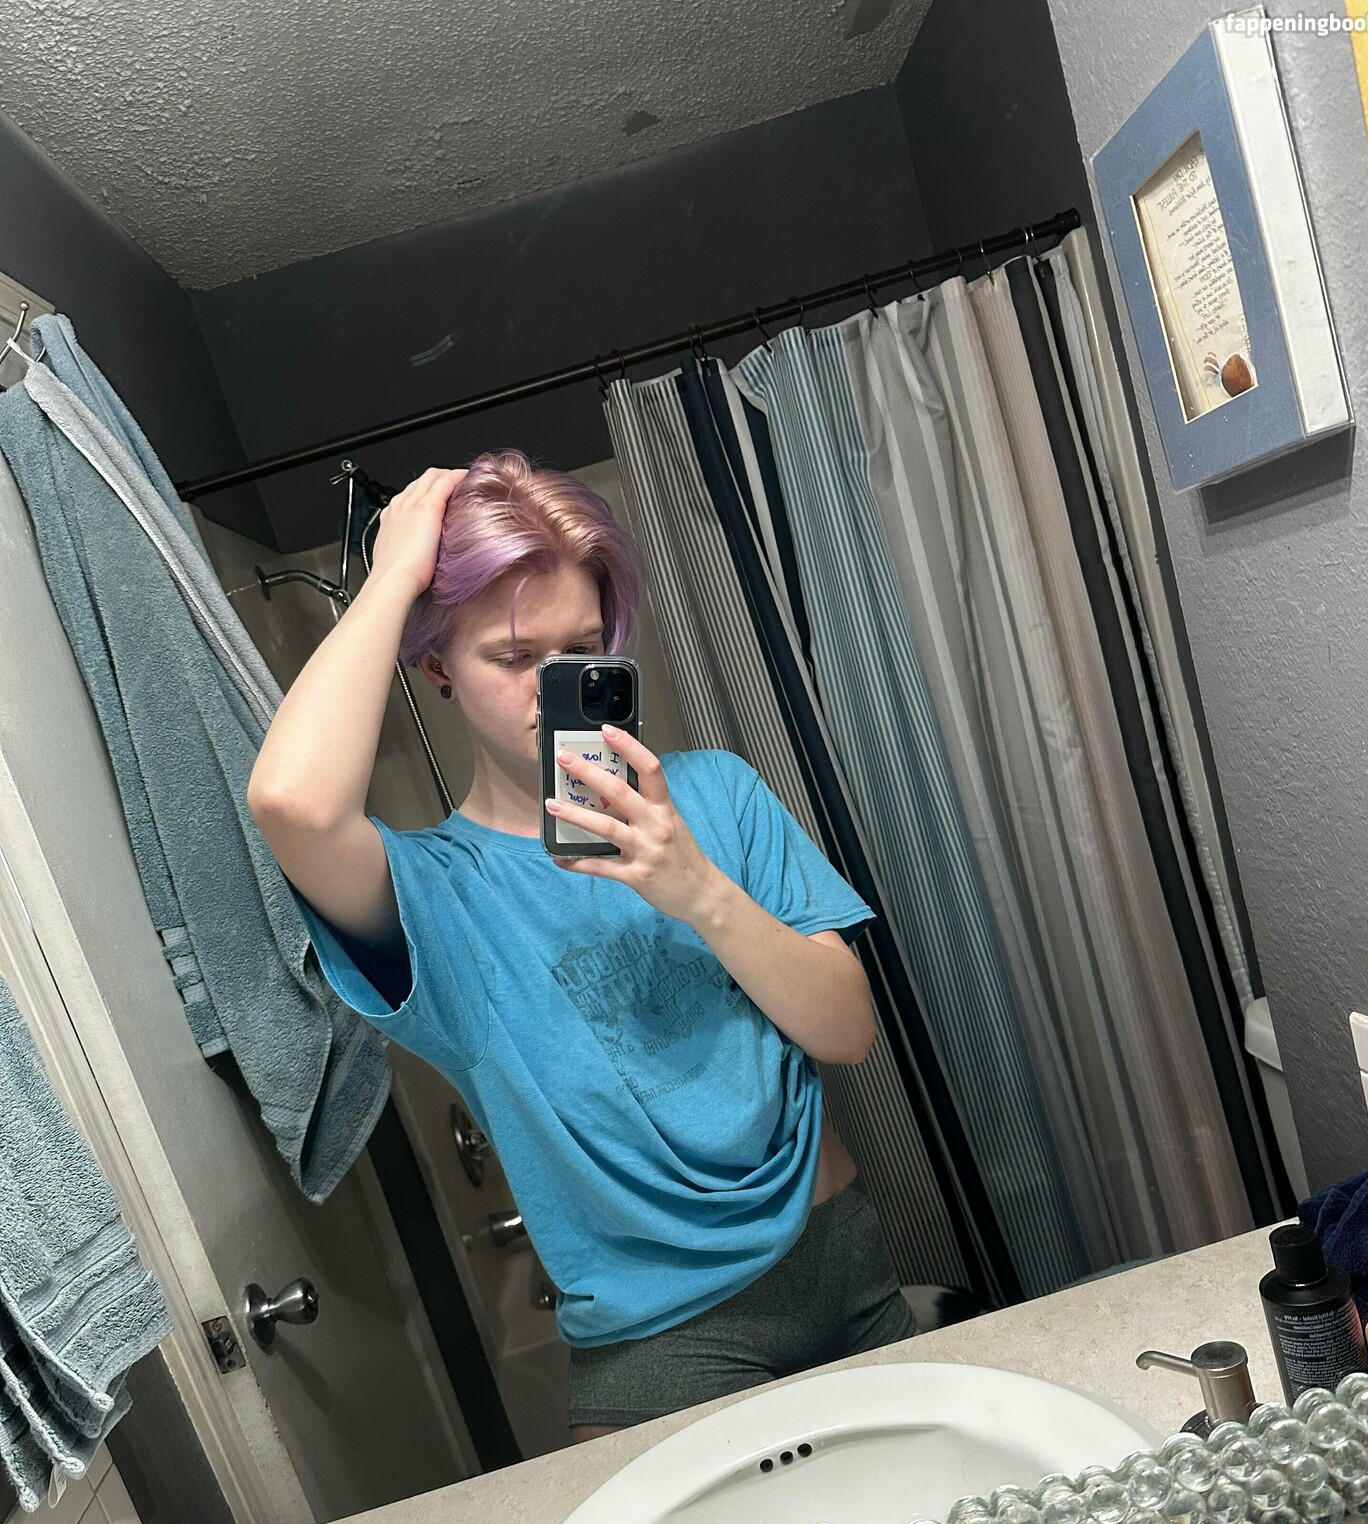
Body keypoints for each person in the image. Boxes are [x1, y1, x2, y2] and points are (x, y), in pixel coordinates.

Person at [247, 451, 918, 1443]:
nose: (554, 685)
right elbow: (290, 803)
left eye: (582, 647)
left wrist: (698, 891)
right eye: (513, 656)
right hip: (657, 1342)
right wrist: (393, 577)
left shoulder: (716, 795)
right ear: (436, 668)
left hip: (838, 1254)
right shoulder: (434, 894)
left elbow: (848, 1032)